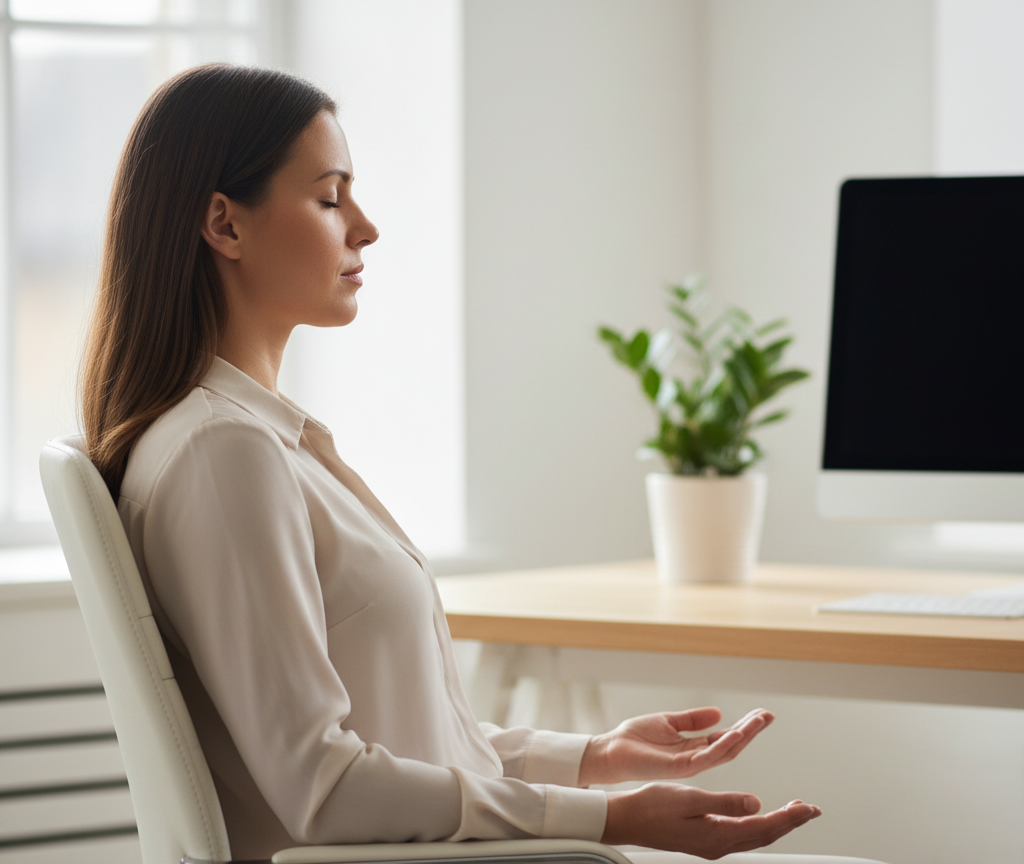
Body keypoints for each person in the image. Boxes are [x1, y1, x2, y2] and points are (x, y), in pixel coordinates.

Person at [80, 63, 854, 864]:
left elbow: (406, 745)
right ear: (225, 224)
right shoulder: (223, 452)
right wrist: (611, 820)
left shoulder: (250, 441)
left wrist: (594, 760)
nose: (366, 227)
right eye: (331, 198)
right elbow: (326, 787)